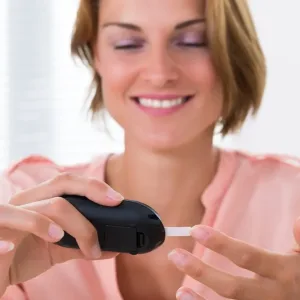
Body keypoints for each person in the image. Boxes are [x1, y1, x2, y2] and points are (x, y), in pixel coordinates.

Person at [1, 0, 300, 299]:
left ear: (232, 53)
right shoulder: (20, 204)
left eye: (192, 42)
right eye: (128, 44)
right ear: (96, 56)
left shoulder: (293, 202)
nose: (159, 73)